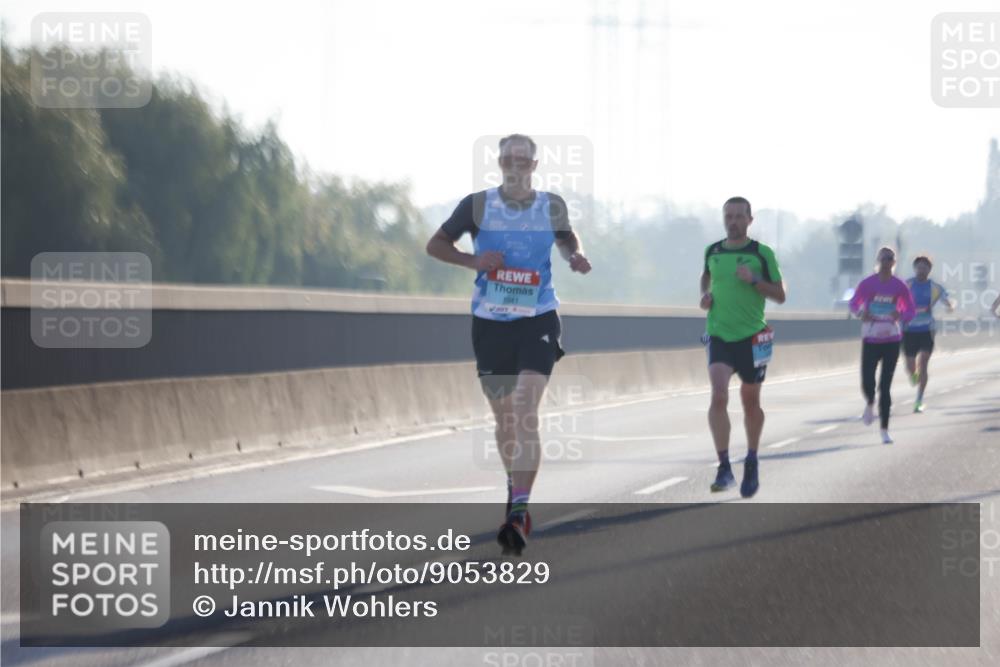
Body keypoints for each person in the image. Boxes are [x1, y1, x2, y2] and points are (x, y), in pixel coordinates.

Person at [425, 134, 592, 556]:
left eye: (523, 159)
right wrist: (472, 261)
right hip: (490, 323)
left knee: (524, 408)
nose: (515, 165)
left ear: (534, 165)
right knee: (505, 420)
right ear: (499, 162)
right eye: (507, 158)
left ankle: (518, 510)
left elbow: (567, 237)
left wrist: (575, 255)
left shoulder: (550, 204)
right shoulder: (477, 205)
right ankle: (514, 484)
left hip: (537, 318)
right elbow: (435, 245)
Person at [700, 196, 785, 498]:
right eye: (728, 216)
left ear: (750, 220)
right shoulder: (713, 251)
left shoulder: (762, 253)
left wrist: (755, 280)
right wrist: (706, 298)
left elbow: (780, 295)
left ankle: (751, 459)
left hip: (752, 337)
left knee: (750, 402)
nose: (733, 221)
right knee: (718, 396)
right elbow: (706, 280)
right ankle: (724, 467)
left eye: (738, 216)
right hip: (719, 333)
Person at [848, 247, 916, 444]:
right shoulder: (867, 284)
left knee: (885, 386)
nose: (887, 261)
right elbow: (853, 304)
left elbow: (910, 310)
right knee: (867, 380)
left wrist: (900, 315)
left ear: (894, 262)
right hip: (870, 337)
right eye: (884, 258)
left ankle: (884, 429)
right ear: (878, 260)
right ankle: (870, 402)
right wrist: (862, 313)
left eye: (890, 259)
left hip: (892, 339)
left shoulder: (900, 286)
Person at [902, 255, 954, 412]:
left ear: (929, 270)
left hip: (927, 329)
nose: (921, 270)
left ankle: (919, 400)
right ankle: (914, 375)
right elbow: (895, 300)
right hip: (908, 330)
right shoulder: (907, 285)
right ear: (915, 268)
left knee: (923, 363)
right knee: (911, 367)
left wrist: (950, 305)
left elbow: (948, 299)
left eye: (924, 267)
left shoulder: (935, 287)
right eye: (919, 267)